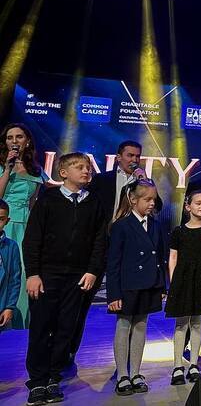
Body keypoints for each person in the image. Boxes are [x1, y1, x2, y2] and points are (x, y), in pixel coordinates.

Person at [23, 152, 106, 406]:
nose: (86, 170)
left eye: (88, 167)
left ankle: (53, 377)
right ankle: (37, 381)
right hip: (47, 275)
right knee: (41, 327)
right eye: (79, 167)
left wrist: (92, 270)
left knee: (66, 328)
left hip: (77, 277)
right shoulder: (48, 199)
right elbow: (32, 239)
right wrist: (33, 273)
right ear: (63, 173)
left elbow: (99, 240)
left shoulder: (94, 202)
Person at [76, 140, 162, 362]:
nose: (134, 160)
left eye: (137, 156)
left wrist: (144, 180)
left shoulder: (144, 181)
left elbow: (158, 207)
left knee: (134, 313)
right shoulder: (102, 180)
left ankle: (127, 365)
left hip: (132, 245)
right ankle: (70, 350)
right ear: (118, 157)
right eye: (130, 155)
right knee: (84, 299)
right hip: (102, 242)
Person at [107, 179, 166, 396]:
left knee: (141, 325)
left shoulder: (156, 225)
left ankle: (136, 373)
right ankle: (122, 375)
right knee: (124, 325)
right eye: (147, 199)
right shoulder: (121, 226)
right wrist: (114, 294)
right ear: (133, 200)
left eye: (154, 199)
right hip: (128, 286)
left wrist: (161, 286)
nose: (152, 203)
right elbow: (113, 263)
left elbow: (160, 258)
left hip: (149, 284)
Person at [165, 190, 201, 386]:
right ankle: (177, 366)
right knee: (181, 323)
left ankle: (194, 364)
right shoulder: (179, 231)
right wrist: (174, 282)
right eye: (199, 203)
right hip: (183, 280)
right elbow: (173, 257)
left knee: (197, 322)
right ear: (188, 206)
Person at [0, 123, 47, 330]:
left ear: (27, 141)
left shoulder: (35, 170)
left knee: (24, 270)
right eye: (9, 137)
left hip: (26, 226)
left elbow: (33, 203)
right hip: (4, 223)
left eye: (19, 137)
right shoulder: (2, 166)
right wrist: (7, 169)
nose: (14, 141)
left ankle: (18, 322)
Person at [0, 199, 22, 331]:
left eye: (1, 219)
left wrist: (9, 307)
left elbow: (15, 279)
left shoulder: (11, 246)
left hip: (2, 310)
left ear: (7, 221)